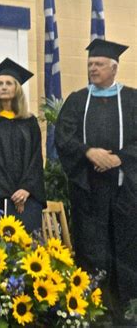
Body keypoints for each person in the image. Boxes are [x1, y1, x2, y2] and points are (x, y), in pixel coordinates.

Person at [55, 38, 137, 324]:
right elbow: (63, 138)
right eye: (90, 64)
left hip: (124, 190)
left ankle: (127, 313)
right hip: (88, 193)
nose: (93, 68)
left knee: (125, 250)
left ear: (114, 68)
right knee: (92, 250)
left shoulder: (132, 99)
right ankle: (93, 313)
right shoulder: (78, 100)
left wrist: (120, 158)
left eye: (99, 64)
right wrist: (88, 151)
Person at [0, 58, 46, 233]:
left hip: (27, 199)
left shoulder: (29, 122)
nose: (4, 87)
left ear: (17, 89)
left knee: (28, 252)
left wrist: (26, 189)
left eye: (9, 83)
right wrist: (11, 196)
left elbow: (35, 159)